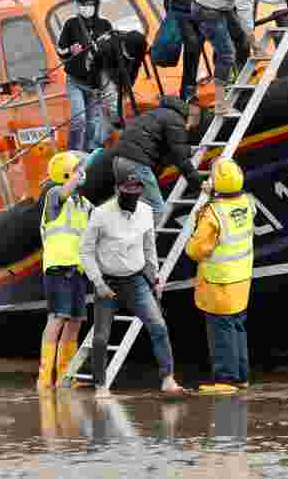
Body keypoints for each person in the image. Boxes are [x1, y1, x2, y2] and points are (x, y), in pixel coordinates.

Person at [79, 160, 185, 397]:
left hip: (136, 280)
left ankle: (168, 379)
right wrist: (98, 282)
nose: (133, 194)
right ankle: (100, 386)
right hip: (107, 284)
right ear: (118, 190)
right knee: (101, 337)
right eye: (128, 189)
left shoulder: (146, 212)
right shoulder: (101, 214)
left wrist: (155, 275)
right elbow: (85, 250)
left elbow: (149, 247)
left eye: (138, 189)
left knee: (158, 326)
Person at [186, 159, 255, 394]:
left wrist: (206, 203)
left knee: (221, 331)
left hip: (220, 281)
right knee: (237, 327)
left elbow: (196, 250)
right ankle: (241, 377)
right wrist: (213, 193)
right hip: (241, 279)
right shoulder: (247, 203)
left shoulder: (213, 213)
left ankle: (225, 380)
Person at [37, 151, 93, 391]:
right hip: (58, 267)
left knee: (75, 320)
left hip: (78, 268)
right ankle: (44, 377)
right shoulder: (53, 195)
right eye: (79, 170)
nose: (84, 174)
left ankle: (64, 375)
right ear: (68, 173)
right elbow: (62, 192)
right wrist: (74, 176)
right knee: (57, 317)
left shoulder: (83, 203)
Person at [109, 96, 204, 226]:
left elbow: (160, 150)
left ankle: (120, 240)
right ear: (187, 116)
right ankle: (142, 243)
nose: (187, 128)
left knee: (128, 209)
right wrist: (199, 185)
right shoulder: (176, 120)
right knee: (158, 210)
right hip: (137, 164)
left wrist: (185, 150)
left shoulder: (153, 115)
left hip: (118, 161)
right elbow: (180, 159)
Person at [193, 0, 265, 113]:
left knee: (239, 36)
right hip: (208, 10)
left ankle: (241, 76)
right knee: (227, 54)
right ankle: (219, 103)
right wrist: (254, 40)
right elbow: (244, 10)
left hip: (217, 4)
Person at [57, 0, 114, 152]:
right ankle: (73, 153)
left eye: (89, 4)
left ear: (96, 5)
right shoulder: (71, 24)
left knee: (92, 122)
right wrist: (70, 50)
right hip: (75, 80)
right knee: (79, 119)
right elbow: (60, 51)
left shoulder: (105, 25)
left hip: (94, 84)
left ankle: (88, 153)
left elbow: (111, 49)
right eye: (82, 4)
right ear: (78, 5)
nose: (86, 7)